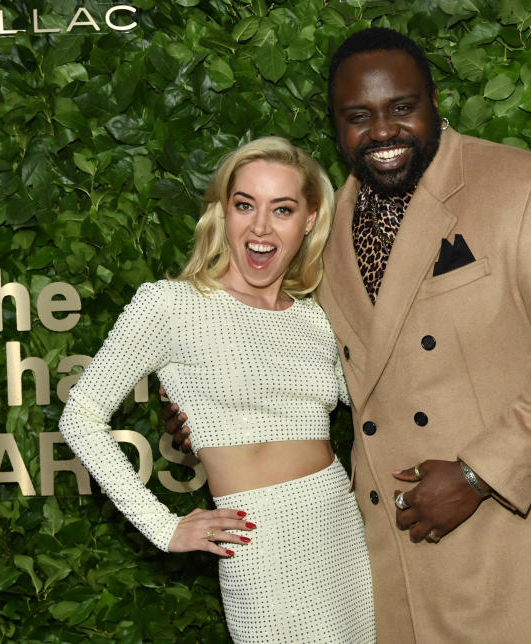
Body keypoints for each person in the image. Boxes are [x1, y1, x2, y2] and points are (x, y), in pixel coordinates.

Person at [167, 28, 531, 642]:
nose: (382, 132)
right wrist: (224, 405)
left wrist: (477, 475)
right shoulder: (321, 233)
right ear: (336, 127)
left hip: (517, 534)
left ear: (436, 102)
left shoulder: (525, 186)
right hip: (392, 551)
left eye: (401, 109)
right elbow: (319, 369)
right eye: (359, 116)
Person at [59, 137, 376, 644]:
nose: (260, 226)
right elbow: (80, 415)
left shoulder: (315, 319)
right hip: (257, 544)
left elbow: (376, 407)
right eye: (244, 204)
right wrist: (163, 528)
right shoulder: (170, 305)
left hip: (340, 527)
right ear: (223, 212)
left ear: (310, 220)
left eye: (283, 209)